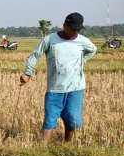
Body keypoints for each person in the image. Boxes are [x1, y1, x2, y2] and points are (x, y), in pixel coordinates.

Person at [20, 12, 97, 144]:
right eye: (72, 29)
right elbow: (35, 55)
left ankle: (67, 145)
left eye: (77, 30)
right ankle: (43, 148)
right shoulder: (50, 39)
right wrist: (28, 73)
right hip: (55, 88)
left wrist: (81, 62)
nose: (74, 32)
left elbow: (93, 50)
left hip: (75, 88)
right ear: (64, 25)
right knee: (50, 119)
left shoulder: (83, 41)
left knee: (73, 119)